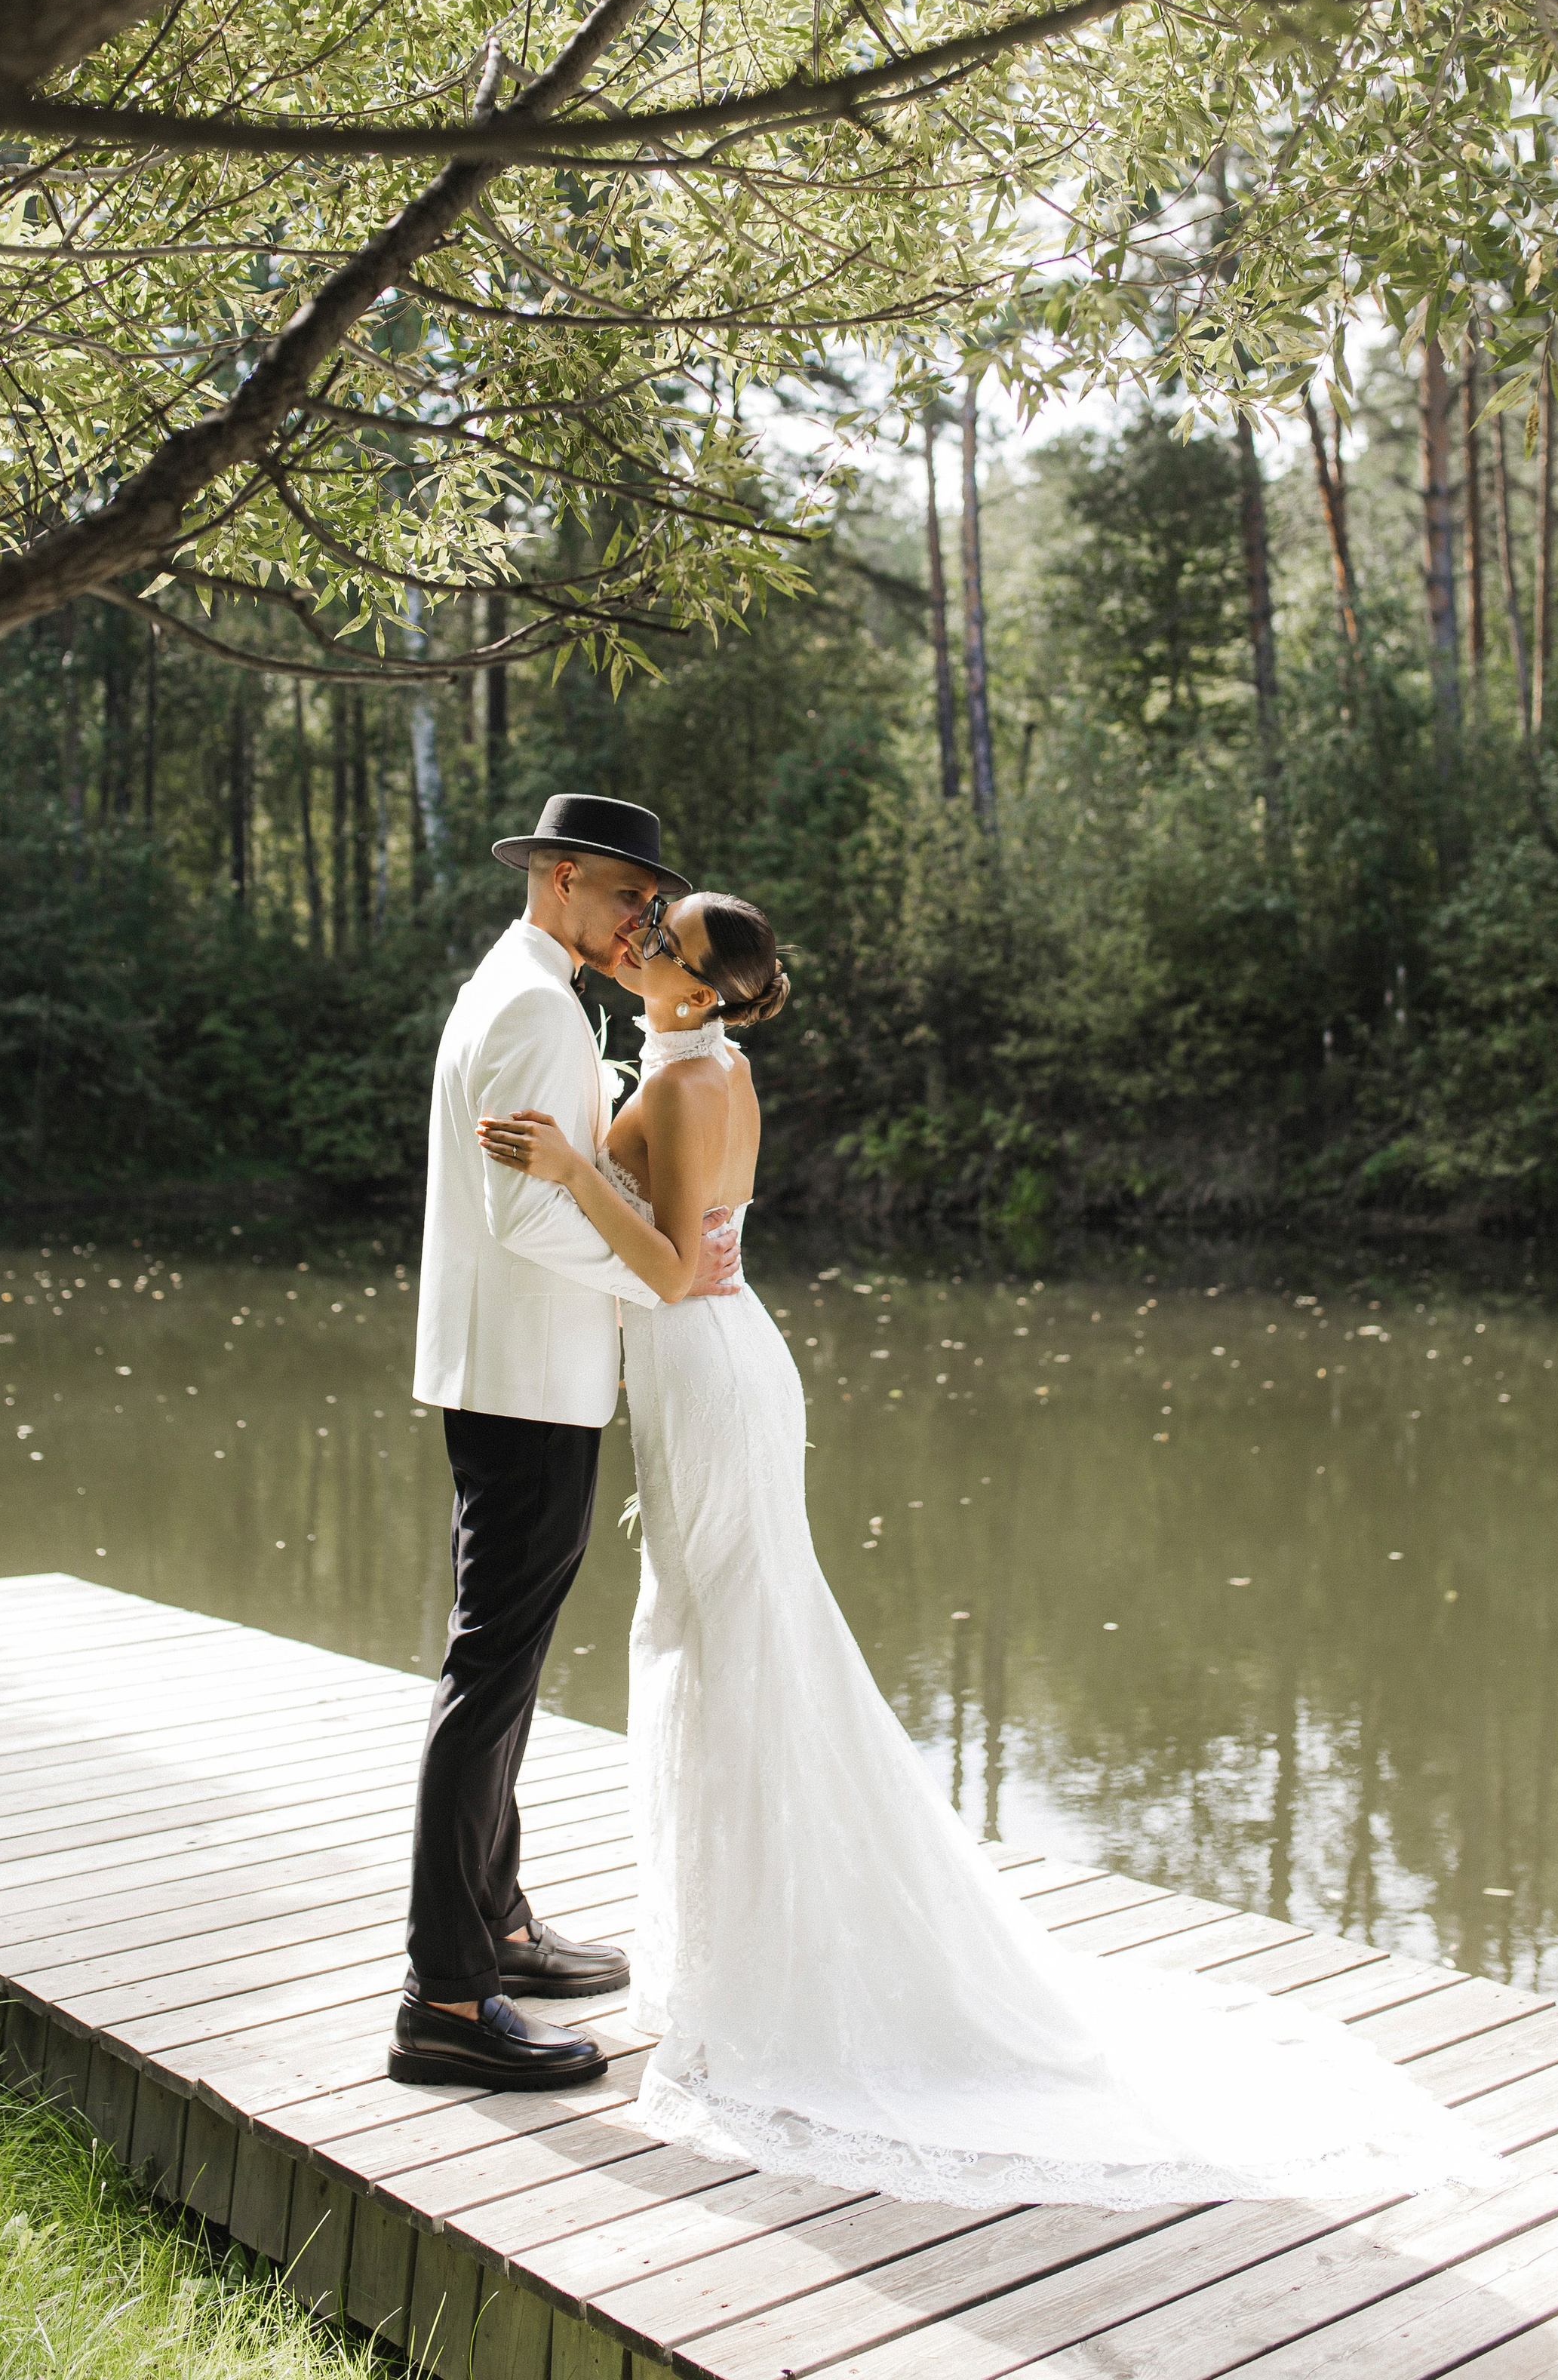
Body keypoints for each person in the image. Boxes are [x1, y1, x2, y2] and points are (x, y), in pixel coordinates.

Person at [478, 889, 1500, 2209]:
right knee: (725, 1638)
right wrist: (578, 1150)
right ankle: (747, 1954)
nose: (639, 948)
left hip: (710, 1361)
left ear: (706, 992)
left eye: (660, 947)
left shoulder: (687, 1082)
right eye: (648, 929)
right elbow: (645, 1197)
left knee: (731, 1645)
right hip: (724, 1370)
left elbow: (670, 1268)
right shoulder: (703, 1064)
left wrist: (566, 1170)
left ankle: (767, 1980)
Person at [392, 791, 726, 2097]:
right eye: (631, 896)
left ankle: (501, 1927)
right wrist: (654, 1276)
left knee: (506, 1662)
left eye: (651, 903)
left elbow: (547, 1176)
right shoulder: (533, 1007)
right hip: (528, 1375)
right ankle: (447, 1994)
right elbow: (528, 1218)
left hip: (515, 1370)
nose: (645, 917)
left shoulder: (527, 986)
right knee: (492, 1669)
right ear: (565, 878)